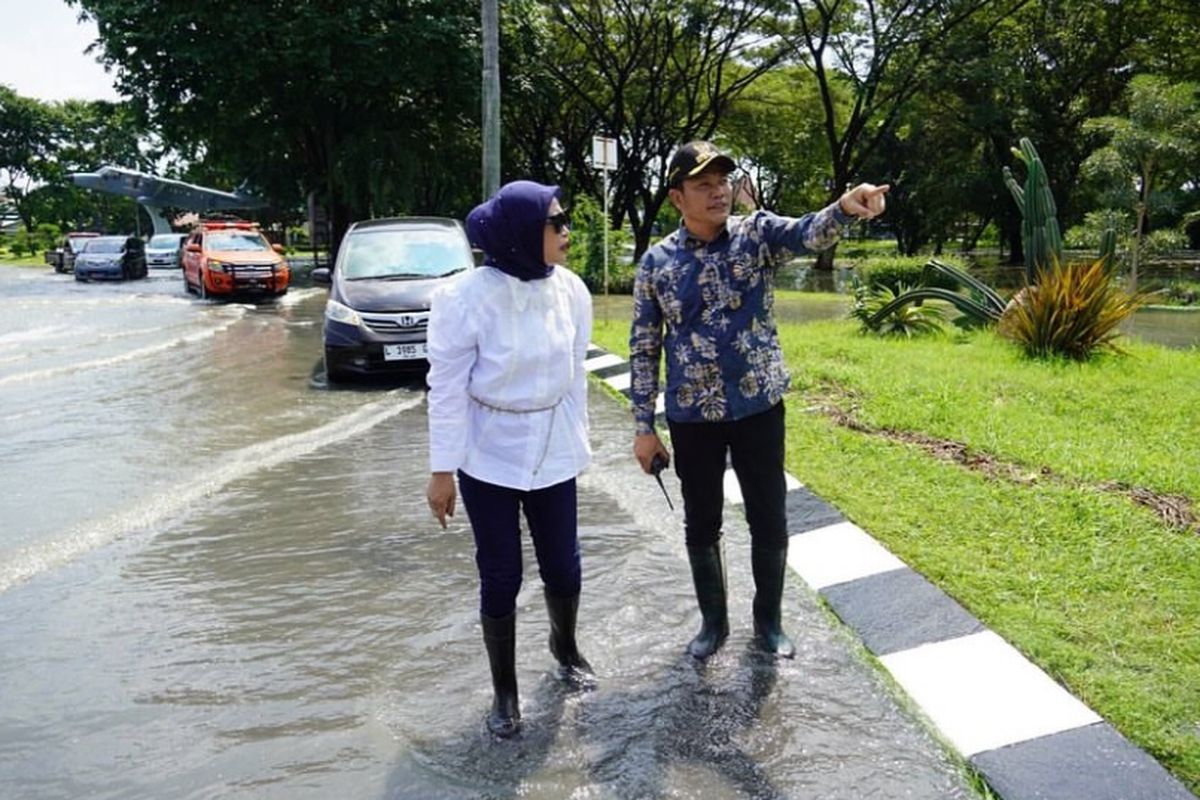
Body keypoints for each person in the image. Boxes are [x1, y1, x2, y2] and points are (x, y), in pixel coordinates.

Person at [630, 141, 888, 660]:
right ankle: (714, 625)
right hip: (692, 414)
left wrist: (846, 206)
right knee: (702, 522)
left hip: (758, 407)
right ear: (678, 197)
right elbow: (644, 346)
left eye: (723, 182)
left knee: (768, 515)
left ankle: (768, 622)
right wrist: (643, 427)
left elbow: (807, 232)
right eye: (704, 185)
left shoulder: (756, 236)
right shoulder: (657, 263)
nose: (718, 192)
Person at [425, 180, 594, 738]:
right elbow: (446, 390)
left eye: (565, 219)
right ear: (521, 233)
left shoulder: (572, 291)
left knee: (563, 564)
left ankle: (565, 647)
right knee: (501, 574)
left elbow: (576, 377)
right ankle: (505, 691)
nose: (567, 231)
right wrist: (442, 471)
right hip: (488, 453)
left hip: (553, 446)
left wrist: (579, 445)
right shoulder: (463, 299)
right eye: (556, 222)